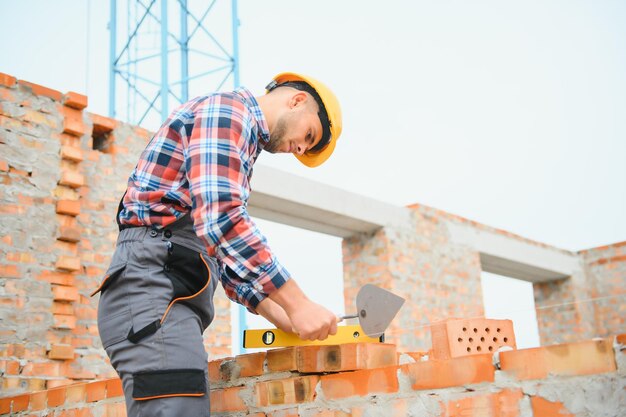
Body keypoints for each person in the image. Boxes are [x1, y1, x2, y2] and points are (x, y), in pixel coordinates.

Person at [92, 72, 343, 417]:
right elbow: (223, 220)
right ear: (297, 100)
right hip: (152, 292)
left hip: (166, 296)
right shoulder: (229, 112)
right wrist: (298, 303)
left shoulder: (238, 142)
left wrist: (284, 316)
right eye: (308, 136)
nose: (299, 148)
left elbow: (227, 263)